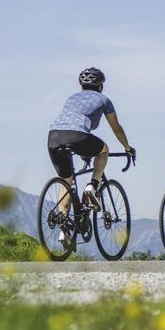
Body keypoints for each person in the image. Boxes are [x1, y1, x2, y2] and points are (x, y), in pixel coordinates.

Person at [47, 68, 135, 237]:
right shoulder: (104, 100)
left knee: (67, 181)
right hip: (78, 136)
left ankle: (64, 229)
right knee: (104, 150)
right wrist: (127, 148)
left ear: (81, 86)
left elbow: (70, 121)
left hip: (53, 137)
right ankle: (92, 186)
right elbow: (116, 128)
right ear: (100, 86)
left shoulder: (71, 98)